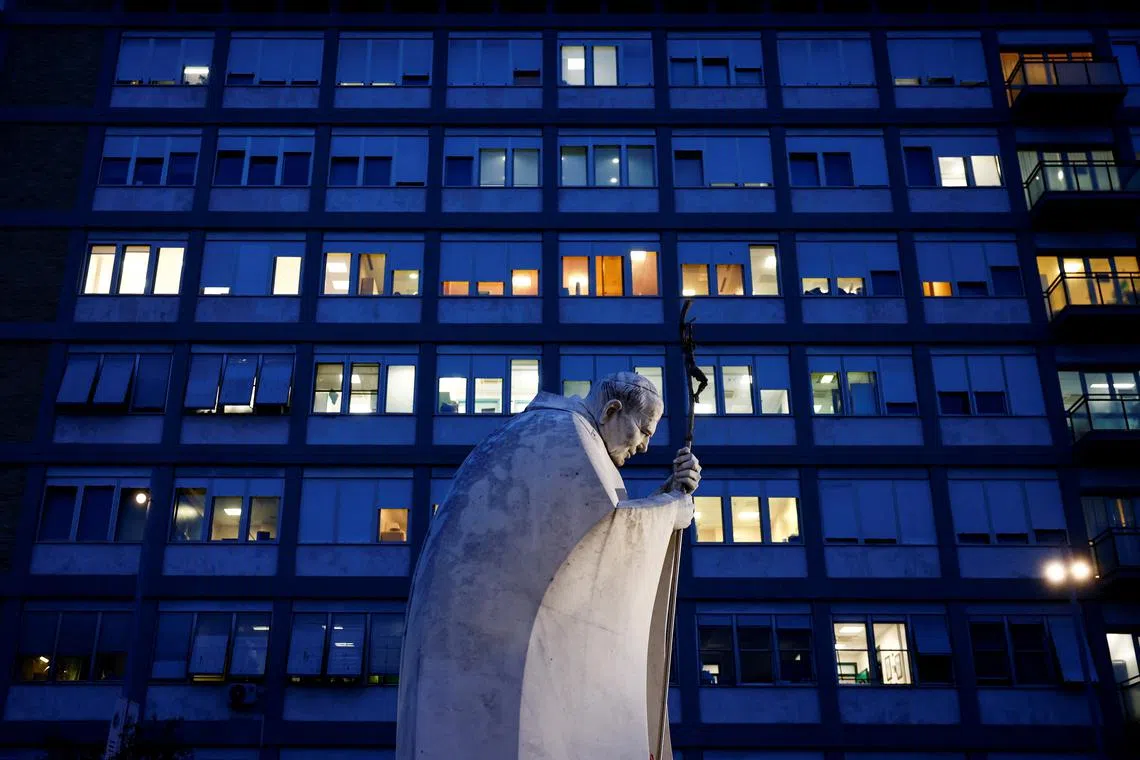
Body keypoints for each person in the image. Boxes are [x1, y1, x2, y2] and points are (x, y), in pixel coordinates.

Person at [397, 372, 700, 760]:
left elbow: (593, 534)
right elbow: (602, 537)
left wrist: (668, 494)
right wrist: (673, 509)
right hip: (491, 673)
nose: (643, 446)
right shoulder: (563, 438)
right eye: (642, 431)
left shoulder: (553, 432)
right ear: (611, 411)